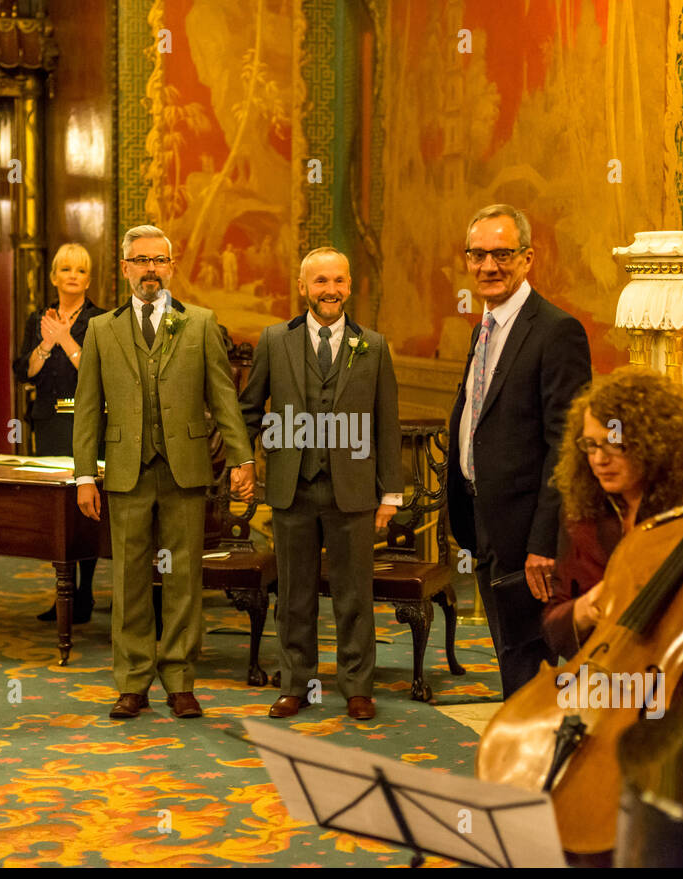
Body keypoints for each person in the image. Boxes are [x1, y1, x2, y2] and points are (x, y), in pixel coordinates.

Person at [72, 225, 254, 720]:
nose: (150, 269)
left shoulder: (199, 323)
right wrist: (85, 475)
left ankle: (179, 679)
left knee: (182, 578)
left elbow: (223, 399)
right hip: (127, 472)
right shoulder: (101, 330)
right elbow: (88, 408)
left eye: (159, 260)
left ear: (171, 267)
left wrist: (242, 457)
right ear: (125, 267)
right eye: (140, 260)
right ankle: (132, 681)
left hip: (185, 471)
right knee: (129, 580)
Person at [239, 247, 404, 721]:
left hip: (352, 490)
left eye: (338, 281)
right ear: (302, 286)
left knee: (355, 595)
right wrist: (242, 460)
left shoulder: (373, 345)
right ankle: (297, 684)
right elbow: (251, 409)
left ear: (349, 286)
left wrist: (389, 493)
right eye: (320, 282)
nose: (330, 290)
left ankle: (357, 686)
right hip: (293, 486)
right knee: (293, 593)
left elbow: (385, 423)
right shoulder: (275, 340)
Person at [445, 204, 591, 698]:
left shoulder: (555, 331)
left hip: (529, 536)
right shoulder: (482, 328)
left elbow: (565, 445)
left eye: (502, 254)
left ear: (528, 258)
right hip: (485, 521)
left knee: (532, 666)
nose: (489, 266)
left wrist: (543, 543)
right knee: (510, 656)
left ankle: (539, 769)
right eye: (479, 254)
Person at [542, 367, 683, 660]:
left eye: (615, 443)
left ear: (653, 443)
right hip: (604, 673)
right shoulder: (582, 512)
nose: (599, 459)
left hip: (679, 678)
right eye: (590, 445)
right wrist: (586, 607)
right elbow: (553, 620)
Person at [12, 243, 105, 623]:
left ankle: (84, 592)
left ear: (88, 279)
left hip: (86, 423)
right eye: (65, 269)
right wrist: (46, 344)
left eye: (80, 270)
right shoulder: (38, 320)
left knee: (85, 504)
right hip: (48, 423)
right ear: (53, 277)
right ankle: (62, 591)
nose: (72, 276)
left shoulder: (101, 320)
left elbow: (97, 372)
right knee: (57, 508)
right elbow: (23, 371)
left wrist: (66, 340)